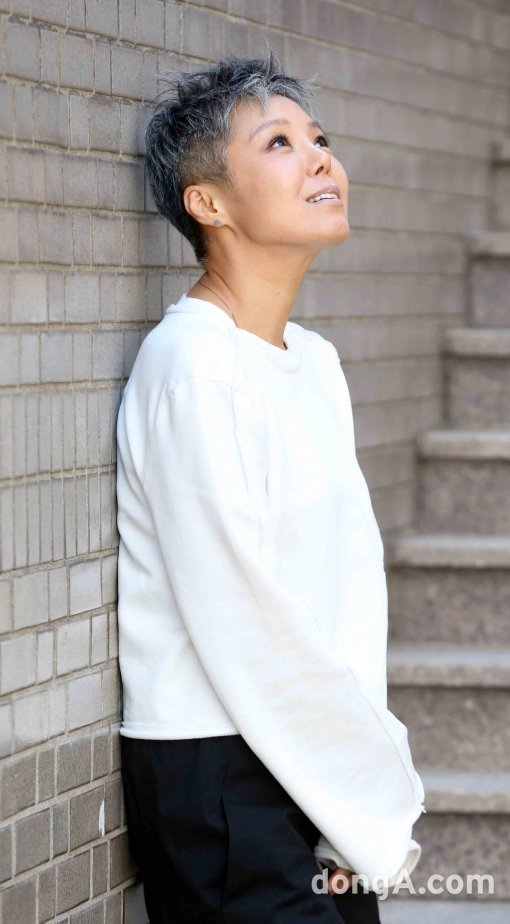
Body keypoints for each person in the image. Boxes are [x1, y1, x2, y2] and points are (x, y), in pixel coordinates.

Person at [116, 49, 426, 923]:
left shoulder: (314, 362)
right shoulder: (192, 364)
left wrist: (357, 772)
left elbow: (350, 586)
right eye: (280, 143)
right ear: (208, 204)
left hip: (316, 755)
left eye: (319, 139)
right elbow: (237, 610)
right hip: (221, 765)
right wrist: (358, 777)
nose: (322, 159)